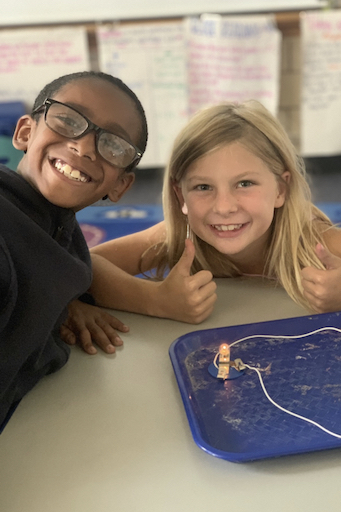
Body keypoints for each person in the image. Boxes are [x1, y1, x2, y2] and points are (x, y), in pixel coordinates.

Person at [62, 99, 341, 356]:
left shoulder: (318, 243)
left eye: (244, 184)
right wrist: (156, 300)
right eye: (203, 187)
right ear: (180, 195)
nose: (223, 206)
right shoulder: (179, 237)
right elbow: (83, 264)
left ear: (281, 189)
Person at [0, 70, 148, 429]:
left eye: (113, 145)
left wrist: (65, 303)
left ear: (120, 185)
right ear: (25, 132)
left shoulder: (58, 231)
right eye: (67, 120)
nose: (83, 147)